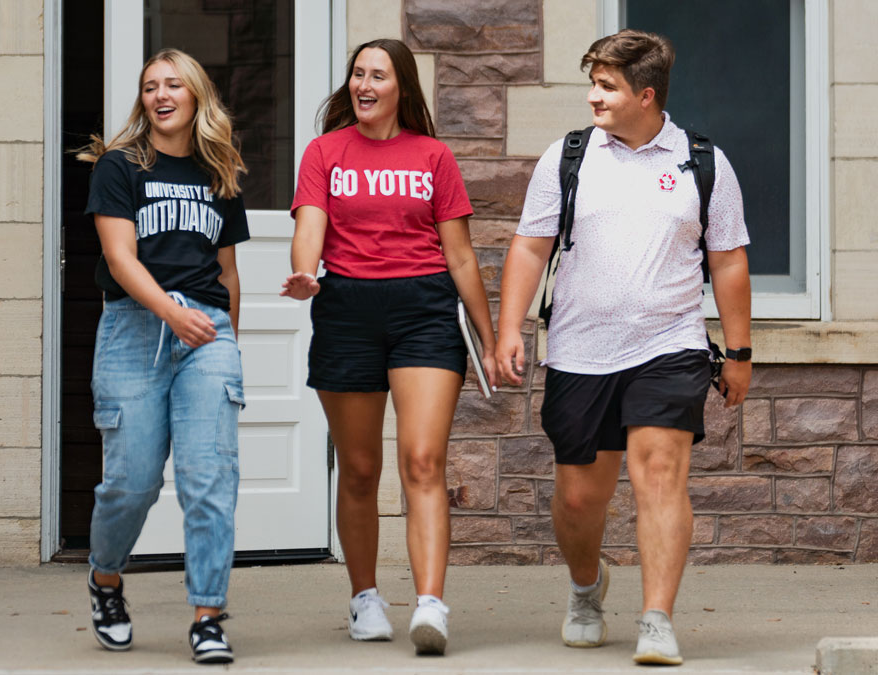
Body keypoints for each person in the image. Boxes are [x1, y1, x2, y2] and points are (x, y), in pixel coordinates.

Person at [495, 30, 752, 666]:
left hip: (670, 343)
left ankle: (657, 618)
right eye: (593, 83)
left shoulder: (702, 163)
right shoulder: (570, 157)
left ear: (645, 94)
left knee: (659, 477)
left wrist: (740, 351)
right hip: (581, 349)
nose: (592, 98)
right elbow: (531, 246)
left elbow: (727, 261)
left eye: (606, 86)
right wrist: (510, 328)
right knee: (581, 498)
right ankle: (587, 589)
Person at [282, 38, 498, 656]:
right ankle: (365, 598)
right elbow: (310, 228)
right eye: (357, 73)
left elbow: (459, 255)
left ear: (401, 86)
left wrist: (486, 338)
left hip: (425, 313)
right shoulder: (325, 152)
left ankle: (430, 604)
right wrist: (305, 273)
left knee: (423, 461)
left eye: (378, 75)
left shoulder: (432, 156)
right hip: (347, 308)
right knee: (358, 469)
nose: (364, 84)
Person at [77, 48, 248, 665]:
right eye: (151, 86)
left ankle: (208, 615)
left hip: (208, 331)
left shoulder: (218, 170)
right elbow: (121, 259)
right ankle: (105, 579)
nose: (161, 94)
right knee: (132, 482)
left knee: (210, 480)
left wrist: (230, 341)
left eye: (174, 84)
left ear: (196, 95)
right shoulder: (120, 167)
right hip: (134, 327)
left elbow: (228, 272)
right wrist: (172, 314)